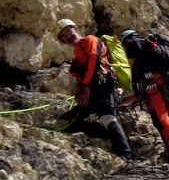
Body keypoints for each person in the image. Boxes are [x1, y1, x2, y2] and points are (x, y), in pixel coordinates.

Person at [55, 19, 134, 160]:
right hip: (92, 92)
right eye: (64, 35)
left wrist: (85, 86)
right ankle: (102, 132)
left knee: (108, 118)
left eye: (69, 30)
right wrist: (80, 91)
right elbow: (81, 77)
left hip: (103, 87)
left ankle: (125, 153)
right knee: (63, 122)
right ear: (63, 41)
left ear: (76, 29)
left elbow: (94, 60)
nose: (68, 35)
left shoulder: (91, 40)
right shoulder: (76, 59)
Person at [119, 29, 169, 165]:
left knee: (161, 118)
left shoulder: (134, 44)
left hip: (154, 85)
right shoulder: (151, 47)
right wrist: (132, 97)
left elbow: (141, 70)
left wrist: (144, 82)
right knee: (167, 118)